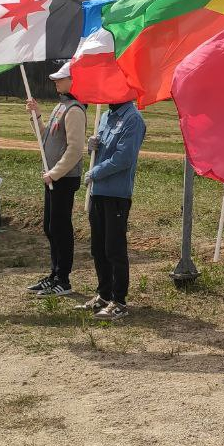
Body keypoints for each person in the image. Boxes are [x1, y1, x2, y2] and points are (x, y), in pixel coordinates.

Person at [73, 95, 146, 321]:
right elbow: (102, 151)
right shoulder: (105, 116)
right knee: (98, 247)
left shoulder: (133, 119)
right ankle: (103, 294)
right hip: (98, 192)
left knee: (114, 248)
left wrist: (95, 172)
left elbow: (123, 158)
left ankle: (119, 301)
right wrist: (92, 146)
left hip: (116, 193)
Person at [24, 62, 86, 298]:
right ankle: (54, 275)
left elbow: (75, 149)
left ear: (73, 81)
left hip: (63, 179)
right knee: (50, 227)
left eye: (61, 78)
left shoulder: (75, 111)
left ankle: (64, 279)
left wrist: (55, 172)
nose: (56, 82)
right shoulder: (61, 107)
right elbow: (45, 137)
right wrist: (36, 115)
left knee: (60, 228)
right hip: (52, 179)